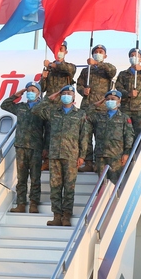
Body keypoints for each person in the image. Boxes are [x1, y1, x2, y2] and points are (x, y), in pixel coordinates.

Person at [31, 85, 86, 227]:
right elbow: (35, 110)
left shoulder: (80, 114)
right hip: (54, 154)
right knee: (55, 187)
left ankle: (66, 216)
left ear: (74, 96)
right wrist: (50, 99)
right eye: (64, 93)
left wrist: (82, 155)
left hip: (71, 155)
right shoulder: (53, 112)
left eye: (69, 93)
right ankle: (56, 216)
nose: (66, 95)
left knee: (69, 187)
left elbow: (84, 136)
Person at [0, 82, 47, 214]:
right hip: (21, 147)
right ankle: (21, 204)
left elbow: (48, 130)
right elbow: (4, 105)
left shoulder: (42, 109)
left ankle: (33, 204)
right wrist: (16, 95)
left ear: (38, 93)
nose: (30, 92)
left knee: (35, 178)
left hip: (36, 147)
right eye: (28, 90)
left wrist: (46, 148)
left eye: (33, 90)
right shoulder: (21, 107)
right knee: (21, 178)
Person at [76, 44, 116, 173]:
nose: (98, 53)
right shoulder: (86, 71)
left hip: (102, 109)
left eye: (100, 52)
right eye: (96, 52)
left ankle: (99, 163)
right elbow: (78, 85)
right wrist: (83, 90)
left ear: (105, 55)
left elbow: (112, 71)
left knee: (101, 137)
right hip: (87, 108)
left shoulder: (107, 68)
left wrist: (97, 64)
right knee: (85, 136)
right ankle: (88, 162)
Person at [39, 41, 76, 171]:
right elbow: (42, 88)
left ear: (66, 52)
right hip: (50, 104)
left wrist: (50, 64)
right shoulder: (48, 69)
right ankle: (47, 159)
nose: (59, 52)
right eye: (57, 49)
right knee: (48, 131)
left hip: (63, 104)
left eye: (61, 49)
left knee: (61, 133)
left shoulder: (69, 67)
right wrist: (43, 78)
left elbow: (66, 69)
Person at [84, 90, 134, 184]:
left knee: (115, 183)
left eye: (113, 99)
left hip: (116, 155)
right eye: (107, 99)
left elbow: (129, 136)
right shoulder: (99, 116)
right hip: (101, 155)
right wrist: (96, 104)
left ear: (119, 101)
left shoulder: (124, 117)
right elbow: (84, 115)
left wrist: (126, 153)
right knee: (102, 184)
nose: (110, 101)